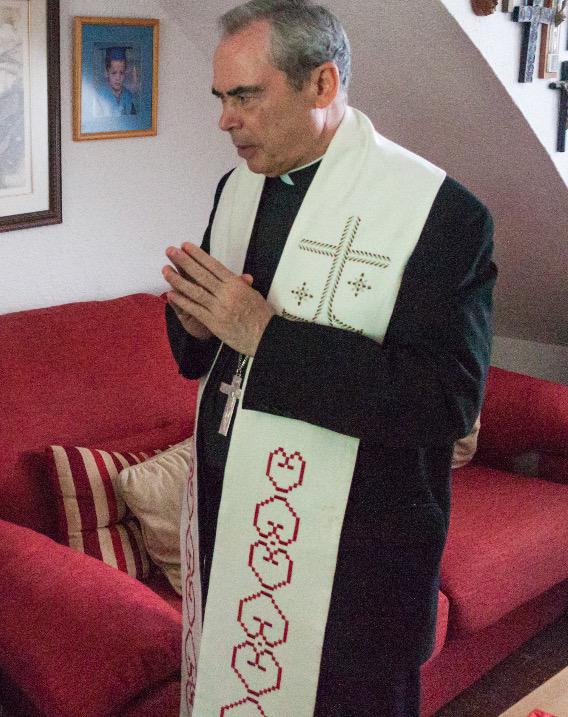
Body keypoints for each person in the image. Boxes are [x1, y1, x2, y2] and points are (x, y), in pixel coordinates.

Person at [162, 2, 495, 716]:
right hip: (232, 525)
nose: (225, 120)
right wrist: (193, 322)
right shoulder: (239, 188)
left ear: (321, 84)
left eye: (245, 96)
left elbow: (447, 400)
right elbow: (207, 358)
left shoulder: (439, 214)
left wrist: (265, 336)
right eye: (221, 98)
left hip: (359, 566)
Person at [93, 46, 137, 117]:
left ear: (125, 72)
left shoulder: (128, 96)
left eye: (121, 73)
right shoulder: (99, 96)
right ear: (106, 73)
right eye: (114, 73)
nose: (118, 78)